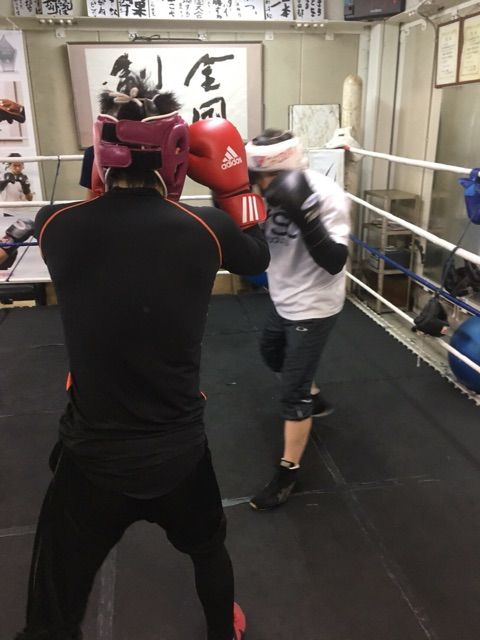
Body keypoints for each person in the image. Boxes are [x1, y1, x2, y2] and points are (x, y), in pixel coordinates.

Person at [15, 83, 269, 640]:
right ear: (177, 157)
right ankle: (221, 632)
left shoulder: (56, 224)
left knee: (52, 599)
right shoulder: (206, 228)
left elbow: (87, 221)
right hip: (177, 450)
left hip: (92, 454)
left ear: (100, 154)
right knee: (208, 550)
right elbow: (257, 260)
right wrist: (234, 189)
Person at [245, 128, 351, 511]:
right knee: (271, 353)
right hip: (282, 294)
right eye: (257, 177)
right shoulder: (253, 193)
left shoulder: (327, 195)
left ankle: (288, 472)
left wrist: (306, 218)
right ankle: (314, 395)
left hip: (315, 301)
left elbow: (335, 261)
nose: (263, 186)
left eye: (270, 178)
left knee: (292, 393)